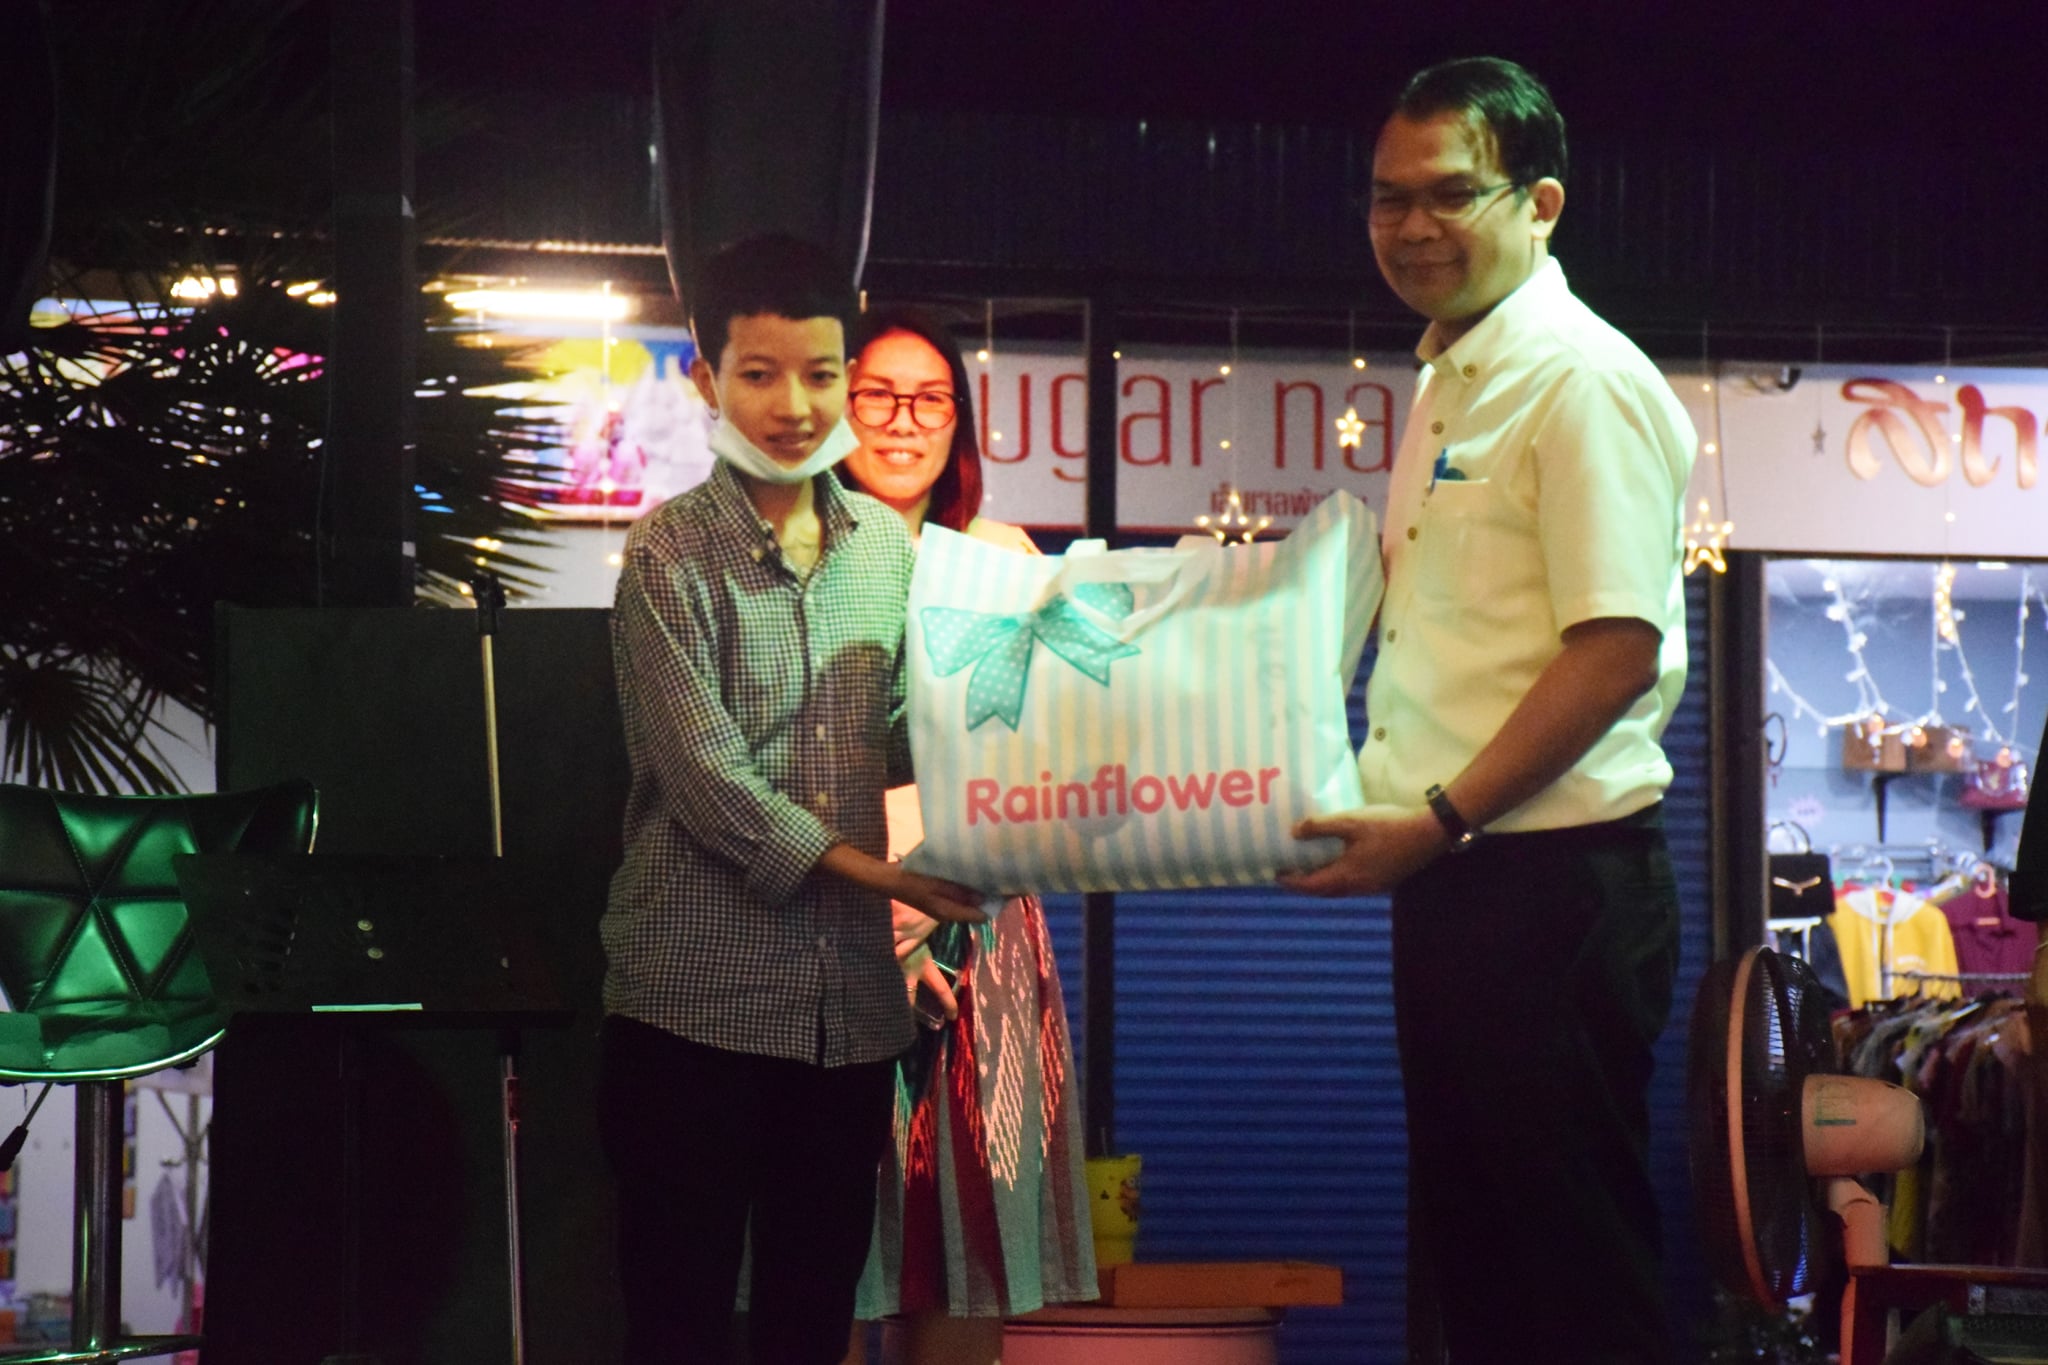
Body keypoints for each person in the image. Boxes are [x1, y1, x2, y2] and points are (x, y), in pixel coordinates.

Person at [1281, 58, 1697, 1365]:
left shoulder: (1578, 379)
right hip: (1462, 879)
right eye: (1386, 198)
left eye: (1450, 194)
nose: (1411, 226)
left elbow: (1614, 650)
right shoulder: (1449, 380)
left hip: (1551, 886)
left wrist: (1440, 819)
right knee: (1482, 1272)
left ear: (1541, 203)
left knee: (1570, 1282)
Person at [597, 235, 987, 1365]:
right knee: (676, 1326)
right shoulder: (668, 554)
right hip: (692, 1008)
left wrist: (1036, 751)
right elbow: (710, 785)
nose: (794, 405)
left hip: (847, 1016)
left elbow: (912, 737)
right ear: (707, 380)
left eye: (819, 374)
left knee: (810, 1326)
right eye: (759, 375)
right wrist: (885, 875)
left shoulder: (890, 556)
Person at [835, 306, 1096, 1365]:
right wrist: (877, 906)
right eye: (878, 395)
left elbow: (1061, 744)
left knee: (966, 1244)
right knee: (825, 1247)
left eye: (930, 399)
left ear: (960, 422)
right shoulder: (793, 557)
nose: (904, 420)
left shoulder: (1001, 556)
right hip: (829, 919)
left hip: (978, 926)